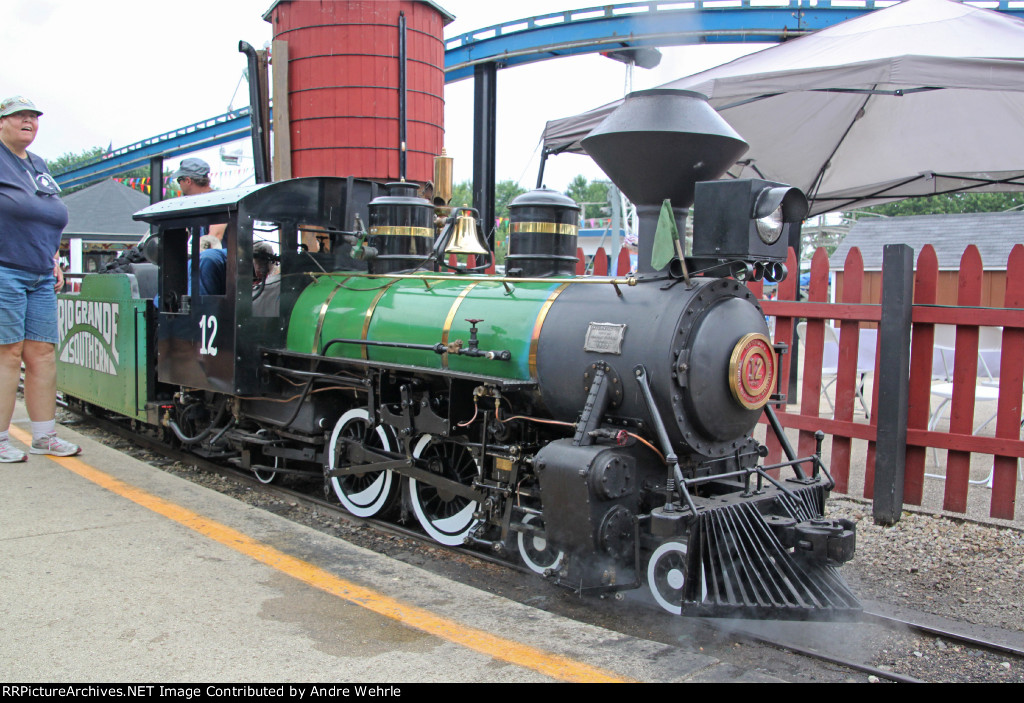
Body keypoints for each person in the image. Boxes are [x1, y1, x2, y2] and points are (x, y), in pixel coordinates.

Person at [0, 95, 81, 461]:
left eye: (33, 116)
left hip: (40, 273)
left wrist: (53, 257)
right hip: (5, 270)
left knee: (43, 353)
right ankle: (0, 439)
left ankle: (44, 436)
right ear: (1, 122)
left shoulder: (37, 164)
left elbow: (43, 215)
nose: (28, 121)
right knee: (7, 353)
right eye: (19, 116)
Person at [172, 158, 226, 241]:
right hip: (203, 251)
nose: (179, 185)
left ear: (187, 181)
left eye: (179, 180)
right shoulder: (192, 206)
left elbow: (214, 238)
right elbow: (180, 240)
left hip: (220, 253)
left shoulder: (219, 202)